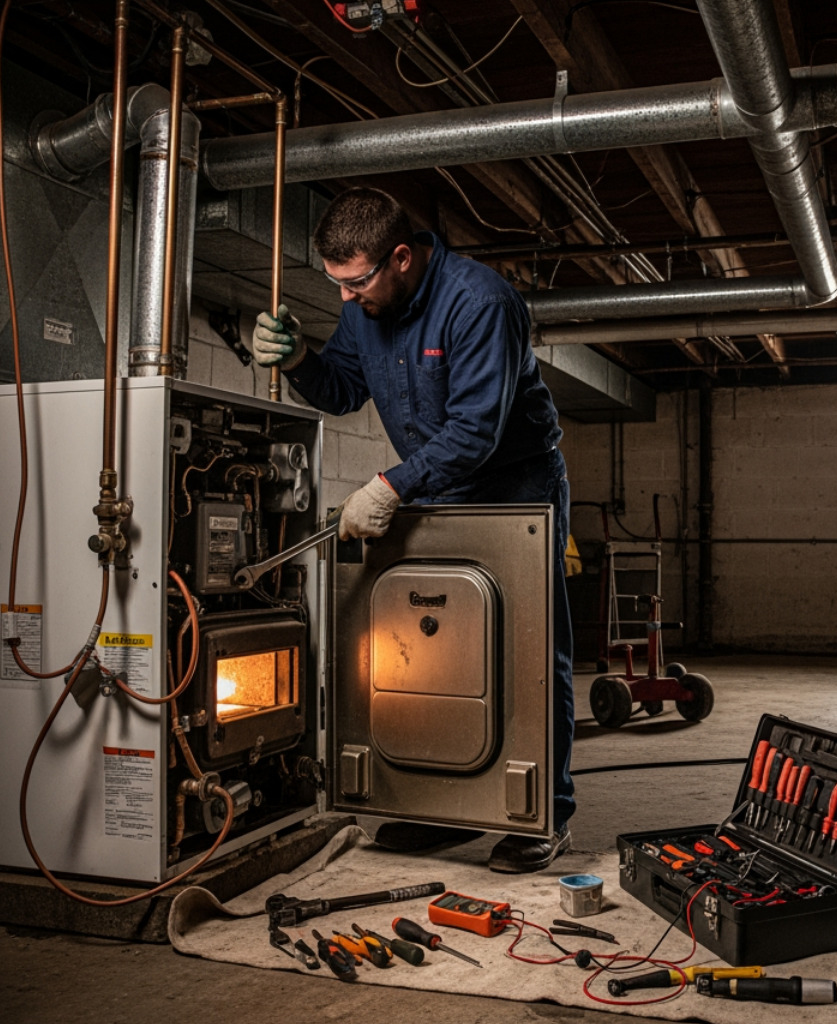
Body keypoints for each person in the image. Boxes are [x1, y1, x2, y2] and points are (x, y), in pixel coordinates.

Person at [250, 187, 574, 874]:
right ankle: (442, 807)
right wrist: (299, 357)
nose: (345, 298)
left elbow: (476, 432)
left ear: (401, 257)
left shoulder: (480, 303)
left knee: (530, 652)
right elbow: (342, 389)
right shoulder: (366, 308)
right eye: (336, 284)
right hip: (436, 484)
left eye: (356, 281)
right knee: (436, 650)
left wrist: (390, 485)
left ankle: (544, 814)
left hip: (513, 486)